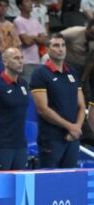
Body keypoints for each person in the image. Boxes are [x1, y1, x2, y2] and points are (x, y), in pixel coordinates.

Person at [31, 34, 85, 168]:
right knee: (49, 181)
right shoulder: (40, 73)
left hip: (72, 137)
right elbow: (42, 109)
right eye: (56, 45)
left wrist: (77, 128)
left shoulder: (72, 72)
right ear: (47, 49)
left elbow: (82, 105)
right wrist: (70, 127)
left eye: (63, 45)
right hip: (51, 138)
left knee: (70, 180)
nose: (60, 49)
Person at [0, 47, 30, 171]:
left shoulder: (23, 84)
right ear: (5, 61)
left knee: (20, 185)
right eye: (16, 58)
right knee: (1, 186)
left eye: (21, 58)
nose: (20, 61)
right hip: (2, 146)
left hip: (21, 145)